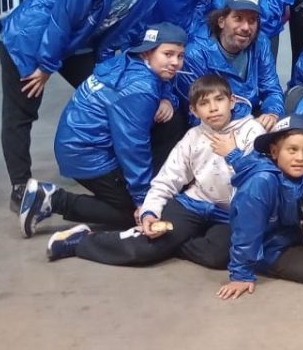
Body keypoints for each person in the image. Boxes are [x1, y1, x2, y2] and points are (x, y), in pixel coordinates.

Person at [0, 0, 170, 212]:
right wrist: (45, 67)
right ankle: (21, 187)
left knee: (105, 92)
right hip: (31, 38)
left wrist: (106, 67)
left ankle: (100, 163)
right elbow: (61, 20)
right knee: (23, 111)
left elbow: (116, 31)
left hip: (78, 44)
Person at [45, 75, 264, 266]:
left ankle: (172, 242)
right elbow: (168, 179)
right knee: (144, 248)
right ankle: (81, 241)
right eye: (204, 103)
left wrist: (232, 153)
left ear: (232, 101)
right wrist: (150, 211)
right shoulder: (193, 137)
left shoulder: (251, 131)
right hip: (193, 204)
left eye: (219, 100)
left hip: (228, 214)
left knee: (218, 257)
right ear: (194, 110)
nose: (214, 108)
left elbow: (260, 179)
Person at [18, 23, 187, 238]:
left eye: (180, 56)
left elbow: (163, 84)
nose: (175, 62)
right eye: (168, 54)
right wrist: (144, 200)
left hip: (82, 141)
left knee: (173, 119)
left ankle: (150, 185)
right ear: (147, 52)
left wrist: (167, 98)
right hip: (86, 154)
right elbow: (132, 146)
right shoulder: (139, 89)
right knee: (133, 214)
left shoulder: (131, 61)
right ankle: (52, 199)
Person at [218, 115, 303, 299]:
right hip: (268, 245)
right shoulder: (261, 182)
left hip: (295, 236)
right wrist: (241, 275)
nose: (300, 158)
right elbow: (248, 229)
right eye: (292, 150)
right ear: (274, 152)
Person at [175, 0, 284, 159]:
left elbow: (272, 89)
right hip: (212, 125)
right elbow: (198, 112)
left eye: (252, 20)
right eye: (238, 18)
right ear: (221, 21)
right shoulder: (196, 53)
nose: (246, 27)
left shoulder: (261, 43)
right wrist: (247, 126)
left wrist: (271, 113)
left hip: (252, 118)